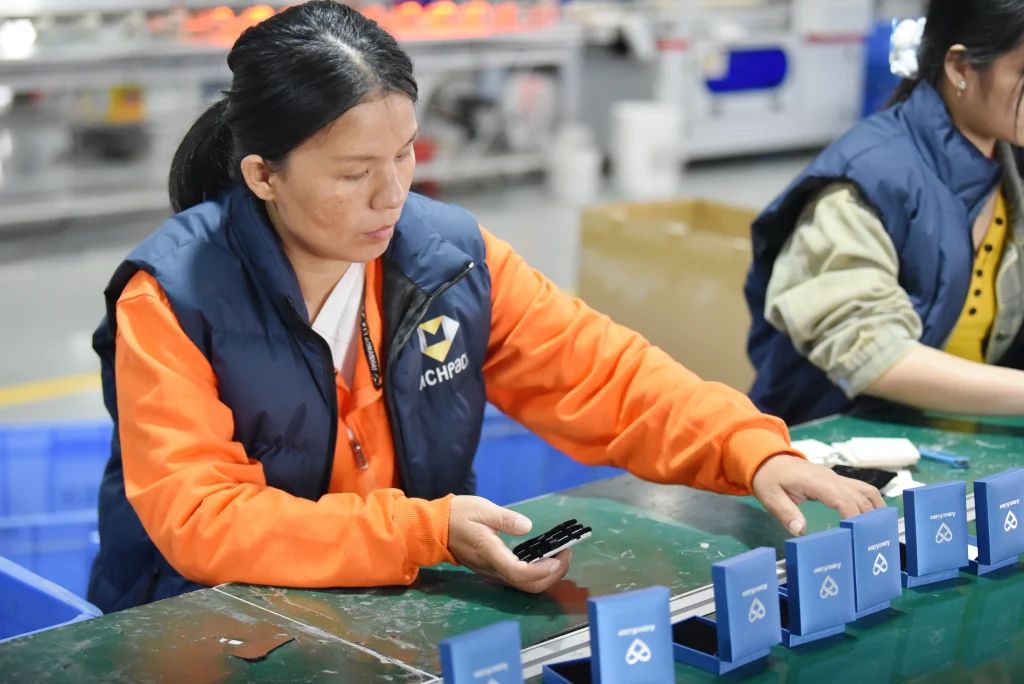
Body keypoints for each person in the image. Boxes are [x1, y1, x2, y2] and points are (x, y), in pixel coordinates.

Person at [88, 0, 881, 614]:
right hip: (206, 621)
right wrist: (425, 533)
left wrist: (752, 450)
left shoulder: (446, 258)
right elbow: (202, 517)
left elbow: (603, 376)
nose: (392, 194)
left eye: (405, 155)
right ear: (263, 176)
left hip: (393, 603)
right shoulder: (174, 298)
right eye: (353, 171)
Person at [745, 0, 1024, 426]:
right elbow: (872, 353)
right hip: (833, 456)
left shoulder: (1008, 165)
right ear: (960, 67)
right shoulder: (865, 180)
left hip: (956, 444)